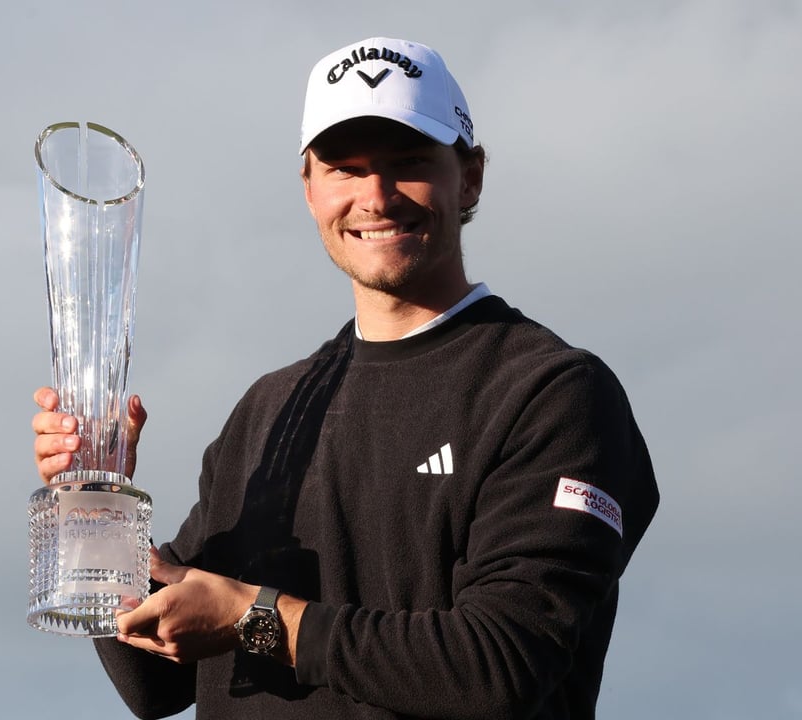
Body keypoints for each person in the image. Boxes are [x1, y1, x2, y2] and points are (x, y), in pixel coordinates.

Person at [33, 36, 658, 720]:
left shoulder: (554, 395)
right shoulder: (269, 410)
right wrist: (96, 505)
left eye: (408, 163)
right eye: (346, 169)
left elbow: (501, 665)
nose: (376, 197)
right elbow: (152, 682)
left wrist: (253, 618)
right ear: (309, 188)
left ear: (470, 176)